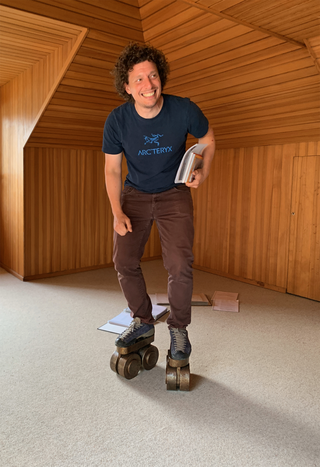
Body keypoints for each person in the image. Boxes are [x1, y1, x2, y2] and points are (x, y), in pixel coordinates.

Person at [102, 42, 215, 363]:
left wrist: (203, 170)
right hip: (134, 194)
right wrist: (117, 211)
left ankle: (179, 329)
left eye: (152, 76)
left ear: (161, 77)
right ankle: (142, 321)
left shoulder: (184, 109)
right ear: (126, 87)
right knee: (124, 261)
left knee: (179, 265)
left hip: (174, 193)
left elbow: (208, 139)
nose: (148, 85)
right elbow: (112, 168)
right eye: (138, 79)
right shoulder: (117, 120)